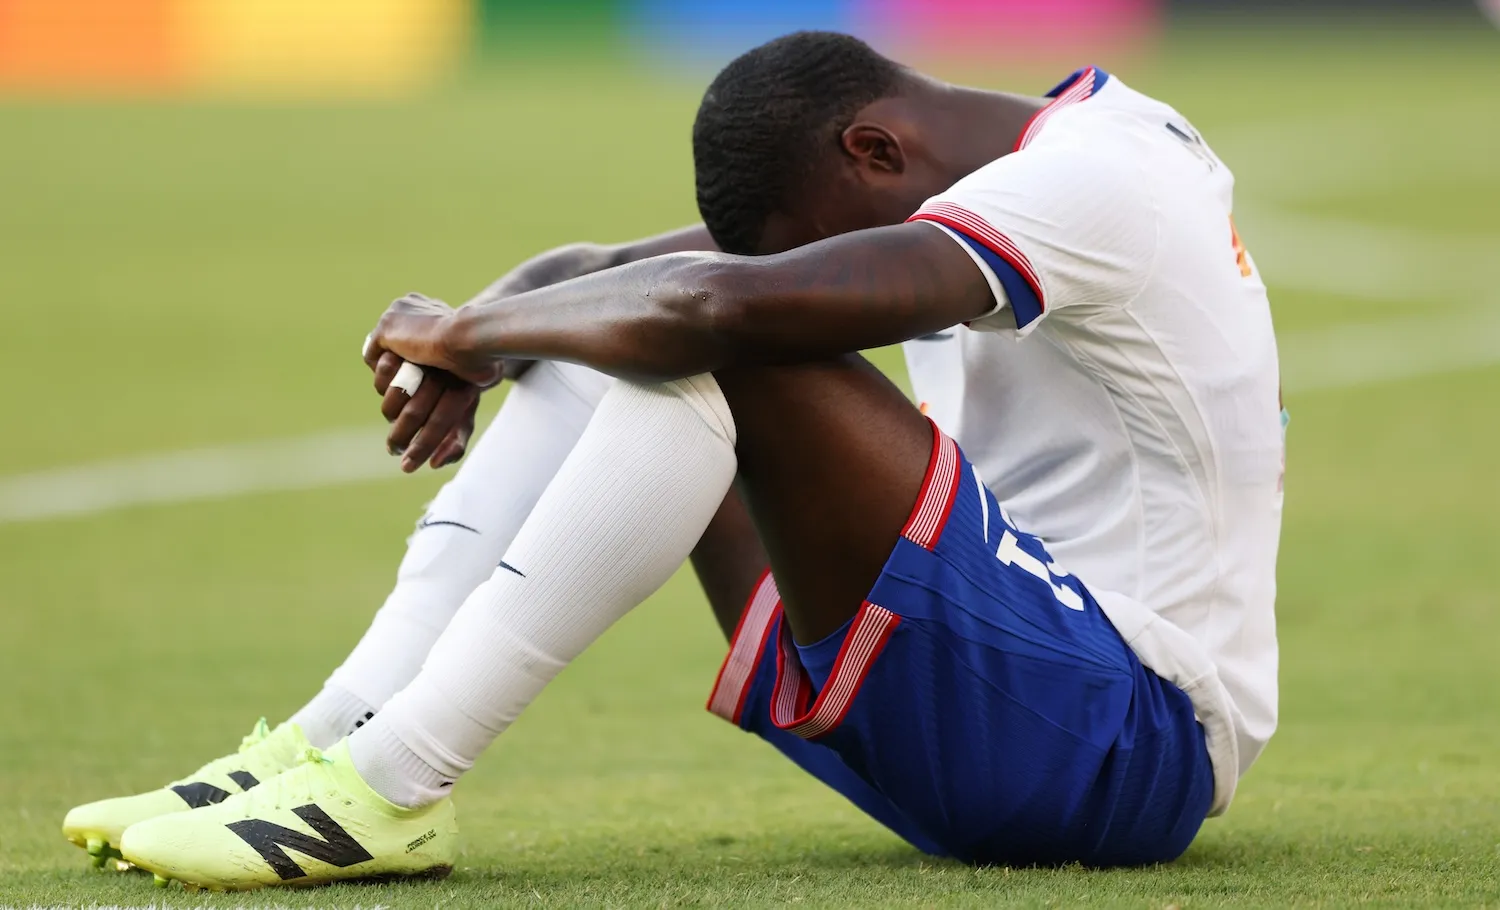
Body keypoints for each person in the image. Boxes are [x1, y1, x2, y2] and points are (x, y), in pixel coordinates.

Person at [64, 32, 1284, 890]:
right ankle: (338, 736)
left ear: (874, 149)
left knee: (731, 336)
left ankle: (391, 784)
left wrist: (471, 335)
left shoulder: (1100, 176)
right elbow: (591, 275)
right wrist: (479, 332)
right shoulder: (979, 177)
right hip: (1002, 720)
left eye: (819, 242)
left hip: (1134, 740)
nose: (826, 282)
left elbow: (716, 307)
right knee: (631, 321)